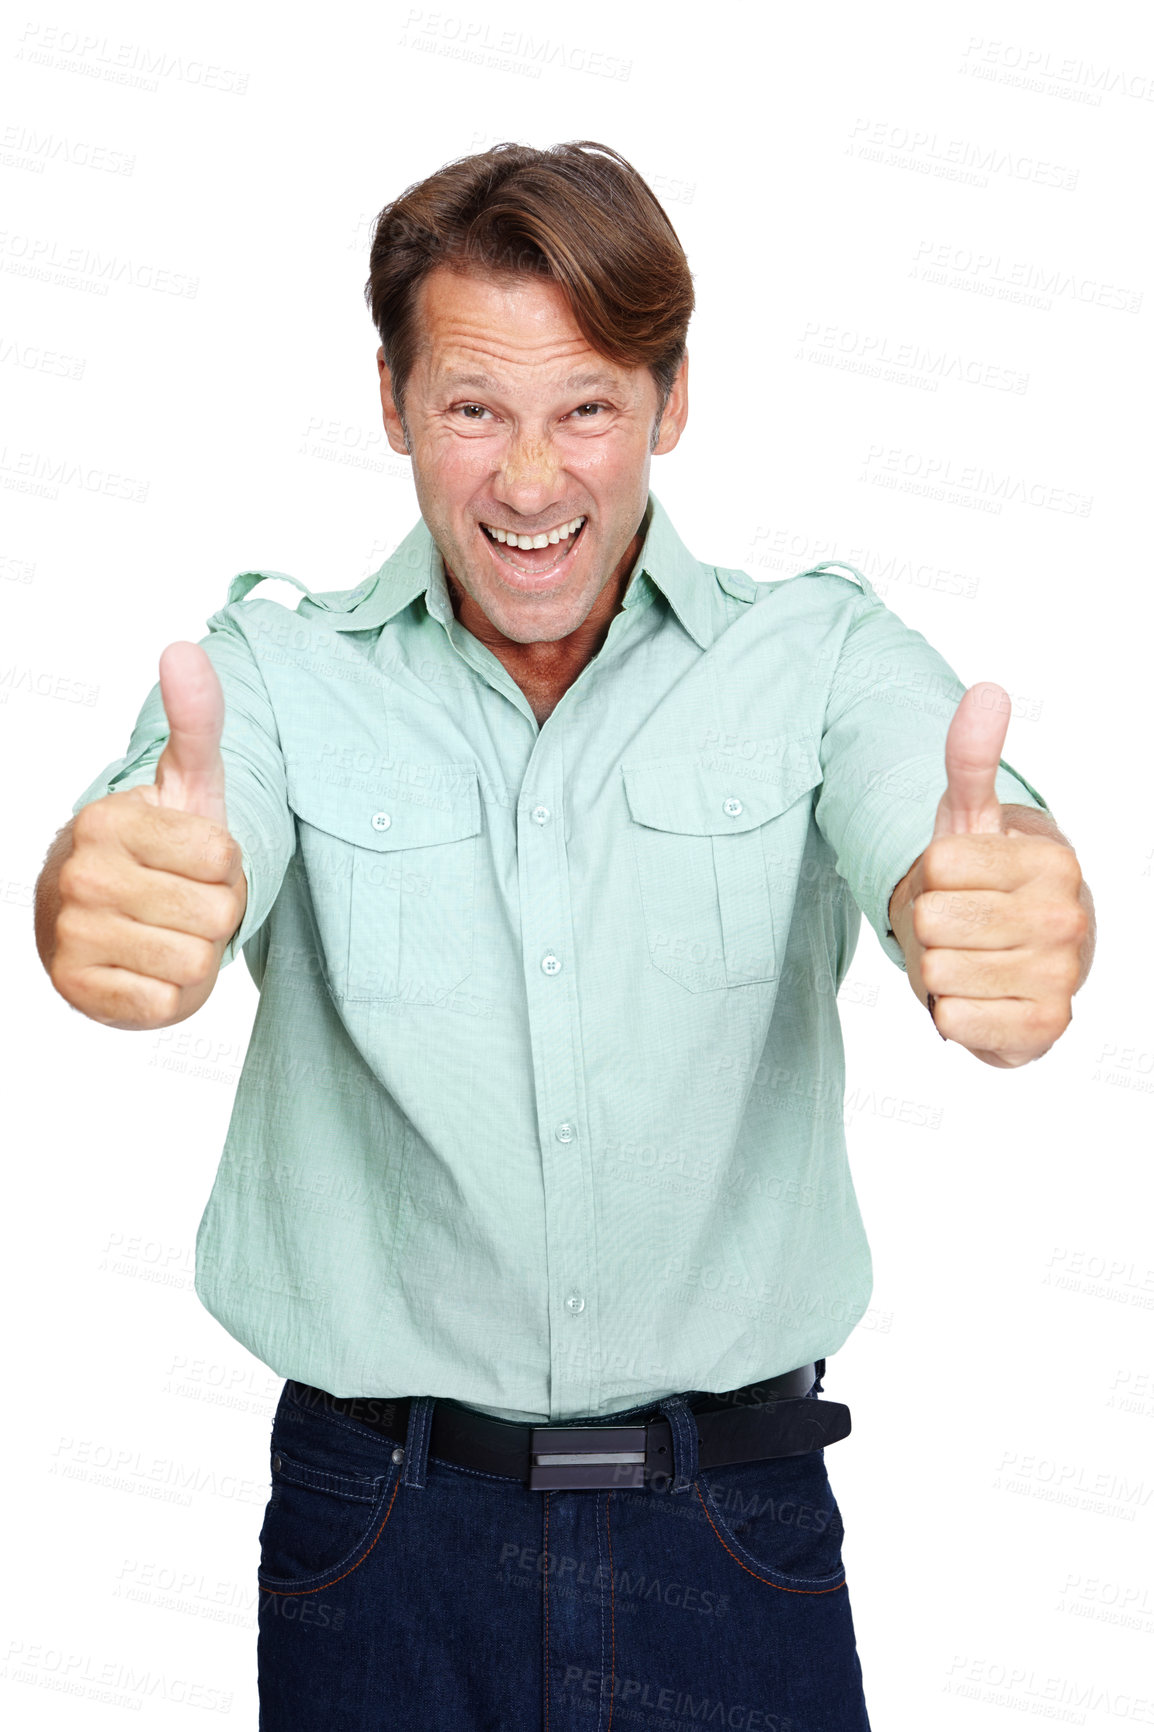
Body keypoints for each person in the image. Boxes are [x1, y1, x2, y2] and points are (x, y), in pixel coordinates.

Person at [35, 141, 1094, 1730]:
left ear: (670, 403)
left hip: (733, 1530)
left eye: (586, 406)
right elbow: (161, 846)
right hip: (376, 1534)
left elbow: (945, 821)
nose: (531, 481)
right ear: (392, 405)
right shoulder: (267, 676)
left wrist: (1009, 894)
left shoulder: (817, 658)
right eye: (474, 409)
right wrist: (99, 898)